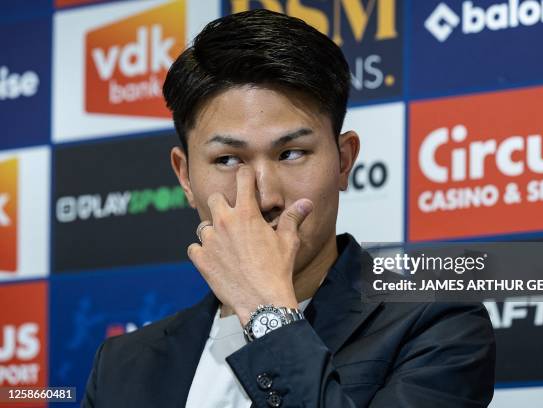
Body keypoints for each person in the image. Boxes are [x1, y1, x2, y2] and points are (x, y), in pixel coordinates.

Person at [82, 9, 495, 408]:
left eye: (292, 153)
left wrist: (266, 312)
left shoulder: (436, 324)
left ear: (344, 161)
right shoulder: (123, 364)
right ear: (185, 177)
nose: (265, 197)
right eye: (228, 160)